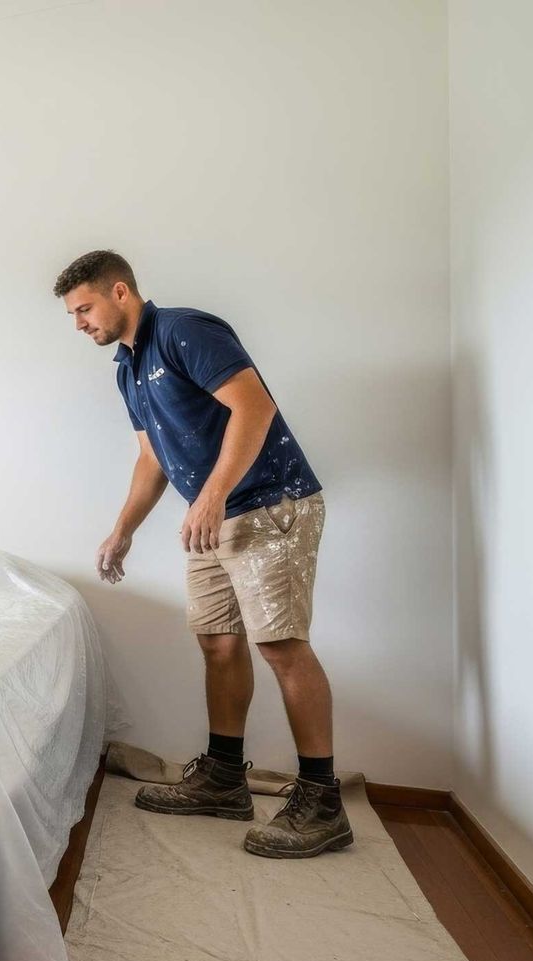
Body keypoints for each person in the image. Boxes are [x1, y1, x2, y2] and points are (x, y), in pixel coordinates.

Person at [55, 249, 350, 859]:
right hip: (213, 518)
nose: (78, 322)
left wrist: (212, 494)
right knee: (217, 643)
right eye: (71, 314)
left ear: (119, 292)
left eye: (83, 308)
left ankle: (322, 800)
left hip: (271, 504)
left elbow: (255, 406)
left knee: (281, 645)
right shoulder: (127, 368)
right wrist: (123, 530)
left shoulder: (184, 330)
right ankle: (223, 778)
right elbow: (152, 457)